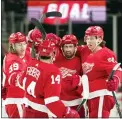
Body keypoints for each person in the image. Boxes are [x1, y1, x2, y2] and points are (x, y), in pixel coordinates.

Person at [17, 38, 80, 118]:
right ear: (53, 53)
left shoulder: (31, 63)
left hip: (26, 110)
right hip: (41, 113)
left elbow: (20, 82)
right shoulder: (53, 71)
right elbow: (52, 102)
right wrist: (66, 113)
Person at [80, 26, 122, 118]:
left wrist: (115, 80)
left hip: (102, 95)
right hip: (90, 96)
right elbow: (69, 49)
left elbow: (117, 70)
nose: (89, 41)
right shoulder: (84, 51)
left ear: (100, 39)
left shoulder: (106, 54)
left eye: (91, 38)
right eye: (87, 38)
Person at [53, 34, 86, 117]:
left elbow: (86, 80)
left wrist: (79, 80)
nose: (68, 49)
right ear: (62, 48)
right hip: (59, 104)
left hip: (77, 103)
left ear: (75, 47)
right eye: (66, 47)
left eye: (70, 46)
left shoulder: (80, 61)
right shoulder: (55, 59)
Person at [2, 32, 28, 118]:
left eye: (24, 44)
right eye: (19, 45)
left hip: (18, 100)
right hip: (16, 101)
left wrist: (31, 38)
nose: (23, 47)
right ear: (12, 46)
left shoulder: (17, 55)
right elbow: (14, 78)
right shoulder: (13, 60)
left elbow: (28, 49)